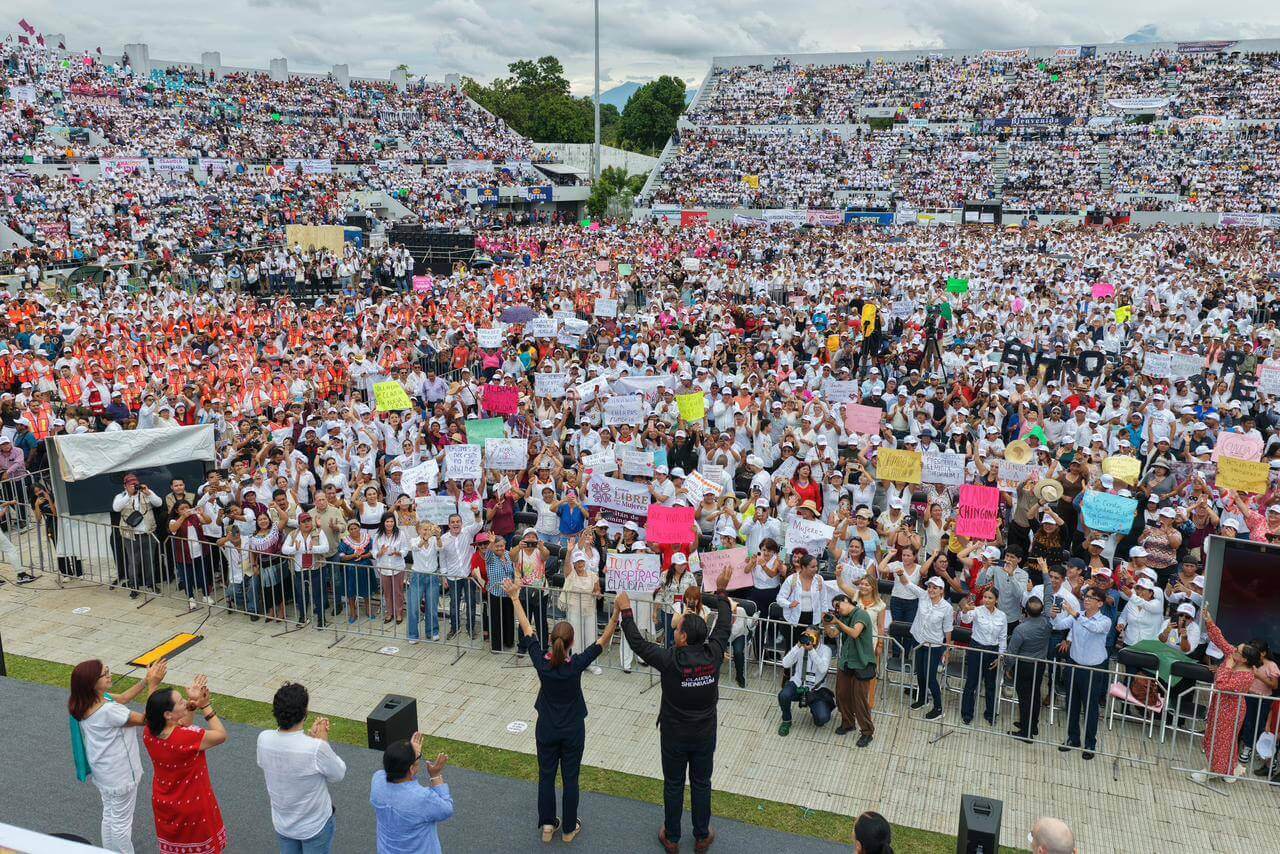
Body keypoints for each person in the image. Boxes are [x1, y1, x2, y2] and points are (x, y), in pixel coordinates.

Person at [616, 566, 733, 854]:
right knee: (702, 783)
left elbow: (638, 644)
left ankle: (672, 837)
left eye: (678, 628)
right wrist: (721, 590)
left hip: (674, 733)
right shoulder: (714, 653)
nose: (676, 630)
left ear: (682, 638)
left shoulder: (670, 659)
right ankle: (702, 835)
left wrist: (626, 612)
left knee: (674, 784)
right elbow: (724, 623)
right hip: (704, 732)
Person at [505, 577, 619, 843]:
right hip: (572, 729)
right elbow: (602, 642)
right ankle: (568, 828)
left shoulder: (542, 663)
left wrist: (515, 598)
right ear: (572, 642)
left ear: (552, 640)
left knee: (546, 777)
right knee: (571, 780)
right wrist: (615, 614)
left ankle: (547, 825)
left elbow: (527, 630)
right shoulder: (575, 665)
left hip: (546, 727)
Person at [68, 658, 167, 854]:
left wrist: (145, 680)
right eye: (104, 674)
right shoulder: (109, 710)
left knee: (110, 816)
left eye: (108, 670)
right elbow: (147, 719)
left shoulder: (84, 701)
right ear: (92, 683)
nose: (109, 675)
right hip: (120, 774)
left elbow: (123, 697)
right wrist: (153, 685)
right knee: (121, 824)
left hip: (103, 771)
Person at [256, 682, 348, 854]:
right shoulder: (316, 748)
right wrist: (322, 742)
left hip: (283, 824)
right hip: (314, 826)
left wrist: (312, 741)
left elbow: (289, 754)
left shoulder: (263, 739)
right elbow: (338, 773)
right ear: (304, 713)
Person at [142, 674, 229, 854]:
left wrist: (192, 703)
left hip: (165, 802)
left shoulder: (149, 732)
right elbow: (221, 735)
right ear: (168, 714)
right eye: (181, 702)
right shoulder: (186, 738)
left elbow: (183, 723)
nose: (185, 702)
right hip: (192, 806)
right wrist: (205, 705)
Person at [1192, 609, 1264, 781]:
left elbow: (1221, 685)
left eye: (1237, 651)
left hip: (1231, 711)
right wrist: (1209, 621)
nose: (1233, 651)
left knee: (1222, 741)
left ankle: (1212, 771)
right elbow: (1220, 640)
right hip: (1220, 705)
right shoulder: (1235, 655)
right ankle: (1230, 770)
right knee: (1218, 737)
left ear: (1244, 659)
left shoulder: (1246, 675)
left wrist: (1227, 667)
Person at [369, 733, 452, 854]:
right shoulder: (422, 798)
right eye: (419, 757)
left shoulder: (377, 780)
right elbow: (447, 809)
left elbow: (395, 766)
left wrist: (408, 752)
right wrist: (435, 775)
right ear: (412, 769)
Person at [1057, 587, 1112, 760]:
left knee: (1090, 707)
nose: (1086, 600)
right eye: (1085, 597)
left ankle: (1090, 743)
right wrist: (1054, 615)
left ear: (1100, 603)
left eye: (1091, 597)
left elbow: (1093, 628)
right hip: (1074, 664)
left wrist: (1075, 615)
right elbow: (1059, 625)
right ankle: (1073, 738)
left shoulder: (1105, 620)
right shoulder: (1077, 615)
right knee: (1072, 703)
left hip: (1092, 669)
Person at [897, 572, 953, 720]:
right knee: (920, 672)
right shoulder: (923, 595)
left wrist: (947, 650)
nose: (931, 590)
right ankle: (922, 699)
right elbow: (907, 584)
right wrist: (901, 573)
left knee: (930, 677)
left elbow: (948, 629)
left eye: (935, 588)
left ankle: (939, 708)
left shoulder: (947, 608)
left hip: (934, 645)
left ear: (941, 590)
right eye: (929, 587)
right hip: (918, 640)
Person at [826, 593, 876, 745]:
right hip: (846, 662)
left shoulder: (861, 614)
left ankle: (867, 732)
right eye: (835, 608)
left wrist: (837, 622)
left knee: (860, 700)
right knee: (842, 695)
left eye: (838, 605)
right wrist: (826, 623)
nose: (837, 610)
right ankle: (848, 723)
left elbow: (855, 633)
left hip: (862, 663)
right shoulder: (842, 617)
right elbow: (832, 633)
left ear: (846, 601)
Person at [958, 588, 1007, 726]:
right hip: (976, 649)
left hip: (992, 651)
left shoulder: (1002, 616)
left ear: (996, 600)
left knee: (991, 684)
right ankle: (967, 713)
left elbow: (1003, 637)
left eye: (990, 598)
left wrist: (1000, 656)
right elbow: (966, 619)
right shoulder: (977, 610)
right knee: (971, 682)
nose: (986, 600)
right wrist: (965, 610)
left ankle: (990, 713)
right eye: (985, 597)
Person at [1006, 594, 1051, 742]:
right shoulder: (1047, 621)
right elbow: (1049, 597)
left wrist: (1008, 667)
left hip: (1024, 665)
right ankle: (1032, 725)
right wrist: (1046, 578)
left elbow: (1012, 652)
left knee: (1025, 698)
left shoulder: (1021, 629)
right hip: (1039, 664)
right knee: (1035, 695)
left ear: (1025, 610)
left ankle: (1026, 732)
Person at [776, 625, 834, 735]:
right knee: (783, 695)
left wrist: (811, 651)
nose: (808, 639)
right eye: (807, 635)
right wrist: (798, 645)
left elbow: (823, 669)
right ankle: (786, 720)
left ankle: (814, 707)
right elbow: (785, 663)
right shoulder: (800, 647)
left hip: (816, 689)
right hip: (798, 683)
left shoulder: (826, 650)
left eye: (812, 636)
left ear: (819, 638)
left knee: (822, 719)